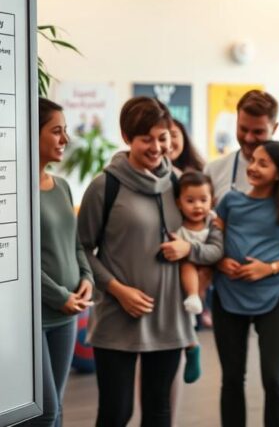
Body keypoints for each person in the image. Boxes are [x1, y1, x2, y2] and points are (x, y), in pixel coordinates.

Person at [78, 96, 222, 427]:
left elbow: (201, 238)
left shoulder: (180, 185)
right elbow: (82, 249)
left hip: (169, 319)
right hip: (117, 317)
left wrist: (190, 252)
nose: (158, 147)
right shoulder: (105, 186)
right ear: (127, 138)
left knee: (159, 412)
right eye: (147, 139)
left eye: (163, 137)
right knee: (117, 412)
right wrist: (117, 290)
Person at [213, 141, 279, 427]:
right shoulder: (229, 201)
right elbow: (212, 242)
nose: (253, 167)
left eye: (263, 163)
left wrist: (268, 269)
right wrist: (220, 261)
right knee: (232, 377)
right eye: (253, 161)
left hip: (275, 296)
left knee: (274, 377)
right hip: (228, 295)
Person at [205, 90, 279, 254]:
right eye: (243, 129)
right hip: (227, 277)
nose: (248, 138)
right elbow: (203, 229)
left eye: (258, 132)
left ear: (274, 128)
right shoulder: (213, 170)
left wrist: (276, 267)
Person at [34, 98, 94, 427]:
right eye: (56, 131)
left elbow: (76, 244)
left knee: (56, 408)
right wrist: (61, 296)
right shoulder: (14, 191)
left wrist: (87, 277)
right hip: (38, 317)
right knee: (44, 413)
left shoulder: (63, 187)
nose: (65, 140)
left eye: (65, 131)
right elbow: (22, 263)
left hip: (69, 313)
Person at [171, 170, 222, 384]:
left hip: (206, 272)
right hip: (183, 275)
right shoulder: (177, 224)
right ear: (179, 202)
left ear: (212, 200)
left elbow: (217, 250)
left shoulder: (213, 222)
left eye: (203, 200)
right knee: (186, 316)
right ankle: (192, 346)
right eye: (190, 200)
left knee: (190, 264)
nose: (197, 206)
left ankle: (196, 297)